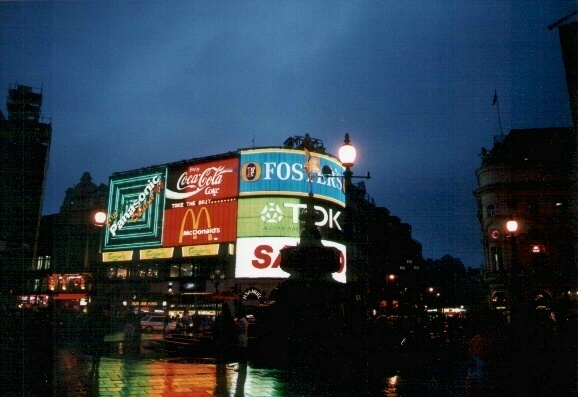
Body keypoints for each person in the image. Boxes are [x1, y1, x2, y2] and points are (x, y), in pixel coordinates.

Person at [85, 303, 111, 371]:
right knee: (99, 348)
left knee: (94, 348)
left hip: (93, 334)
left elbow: (88, 325)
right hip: (100, 334)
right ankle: (97, 362)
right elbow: (107, 325)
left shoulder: (92, 315)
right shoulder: (103, 316)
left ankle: (94, 362)